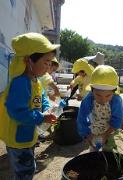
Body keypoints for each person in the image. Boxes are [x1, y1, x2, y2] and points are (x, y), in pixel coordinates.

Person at [0, 32, 59, 179]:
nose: (48, 66)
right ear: (29, 61)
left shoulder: (35, 81)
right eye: (46, 62)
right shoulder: (21, 82)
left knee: (26, 168)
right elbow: (18, 112)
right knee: (25, 172)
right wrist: (41, 117)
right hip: (18, 138)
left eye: (50, 62)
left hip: (27, 135)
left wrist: (46, 108)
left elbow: (42, 98)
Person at [77, 65, 123, 151]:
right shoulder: (88, 100)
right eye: (98, 95)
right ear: (92, 90)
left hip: (109, 129)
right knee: (93, 150)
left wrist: (106, 135)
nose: (103, 100)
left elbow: (117, 119)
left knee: (108, 150)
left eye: (108, 96)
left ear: (113, 92)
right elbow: (82, 118)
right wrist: (88, 135)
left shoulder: (116, 101)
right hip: (93, 130)